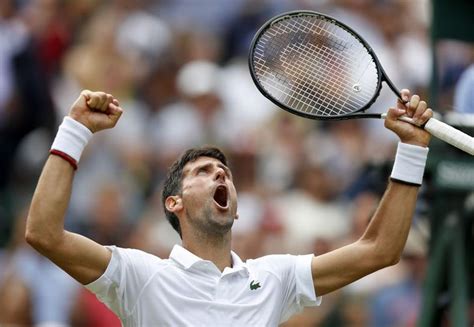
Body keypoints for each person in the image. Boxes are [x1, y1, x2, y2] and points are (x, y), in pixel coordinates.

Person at [26, 89, 433, 326]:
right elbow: (43, 234)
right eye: (203, 172)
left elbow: (380, 249)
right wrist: (75, 128)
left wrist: (412, 150)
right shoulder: (140, 275)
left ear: (236, 210)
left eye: (225, 173)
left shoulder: (275, 277)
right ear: (175, 202)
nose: (221, 176)